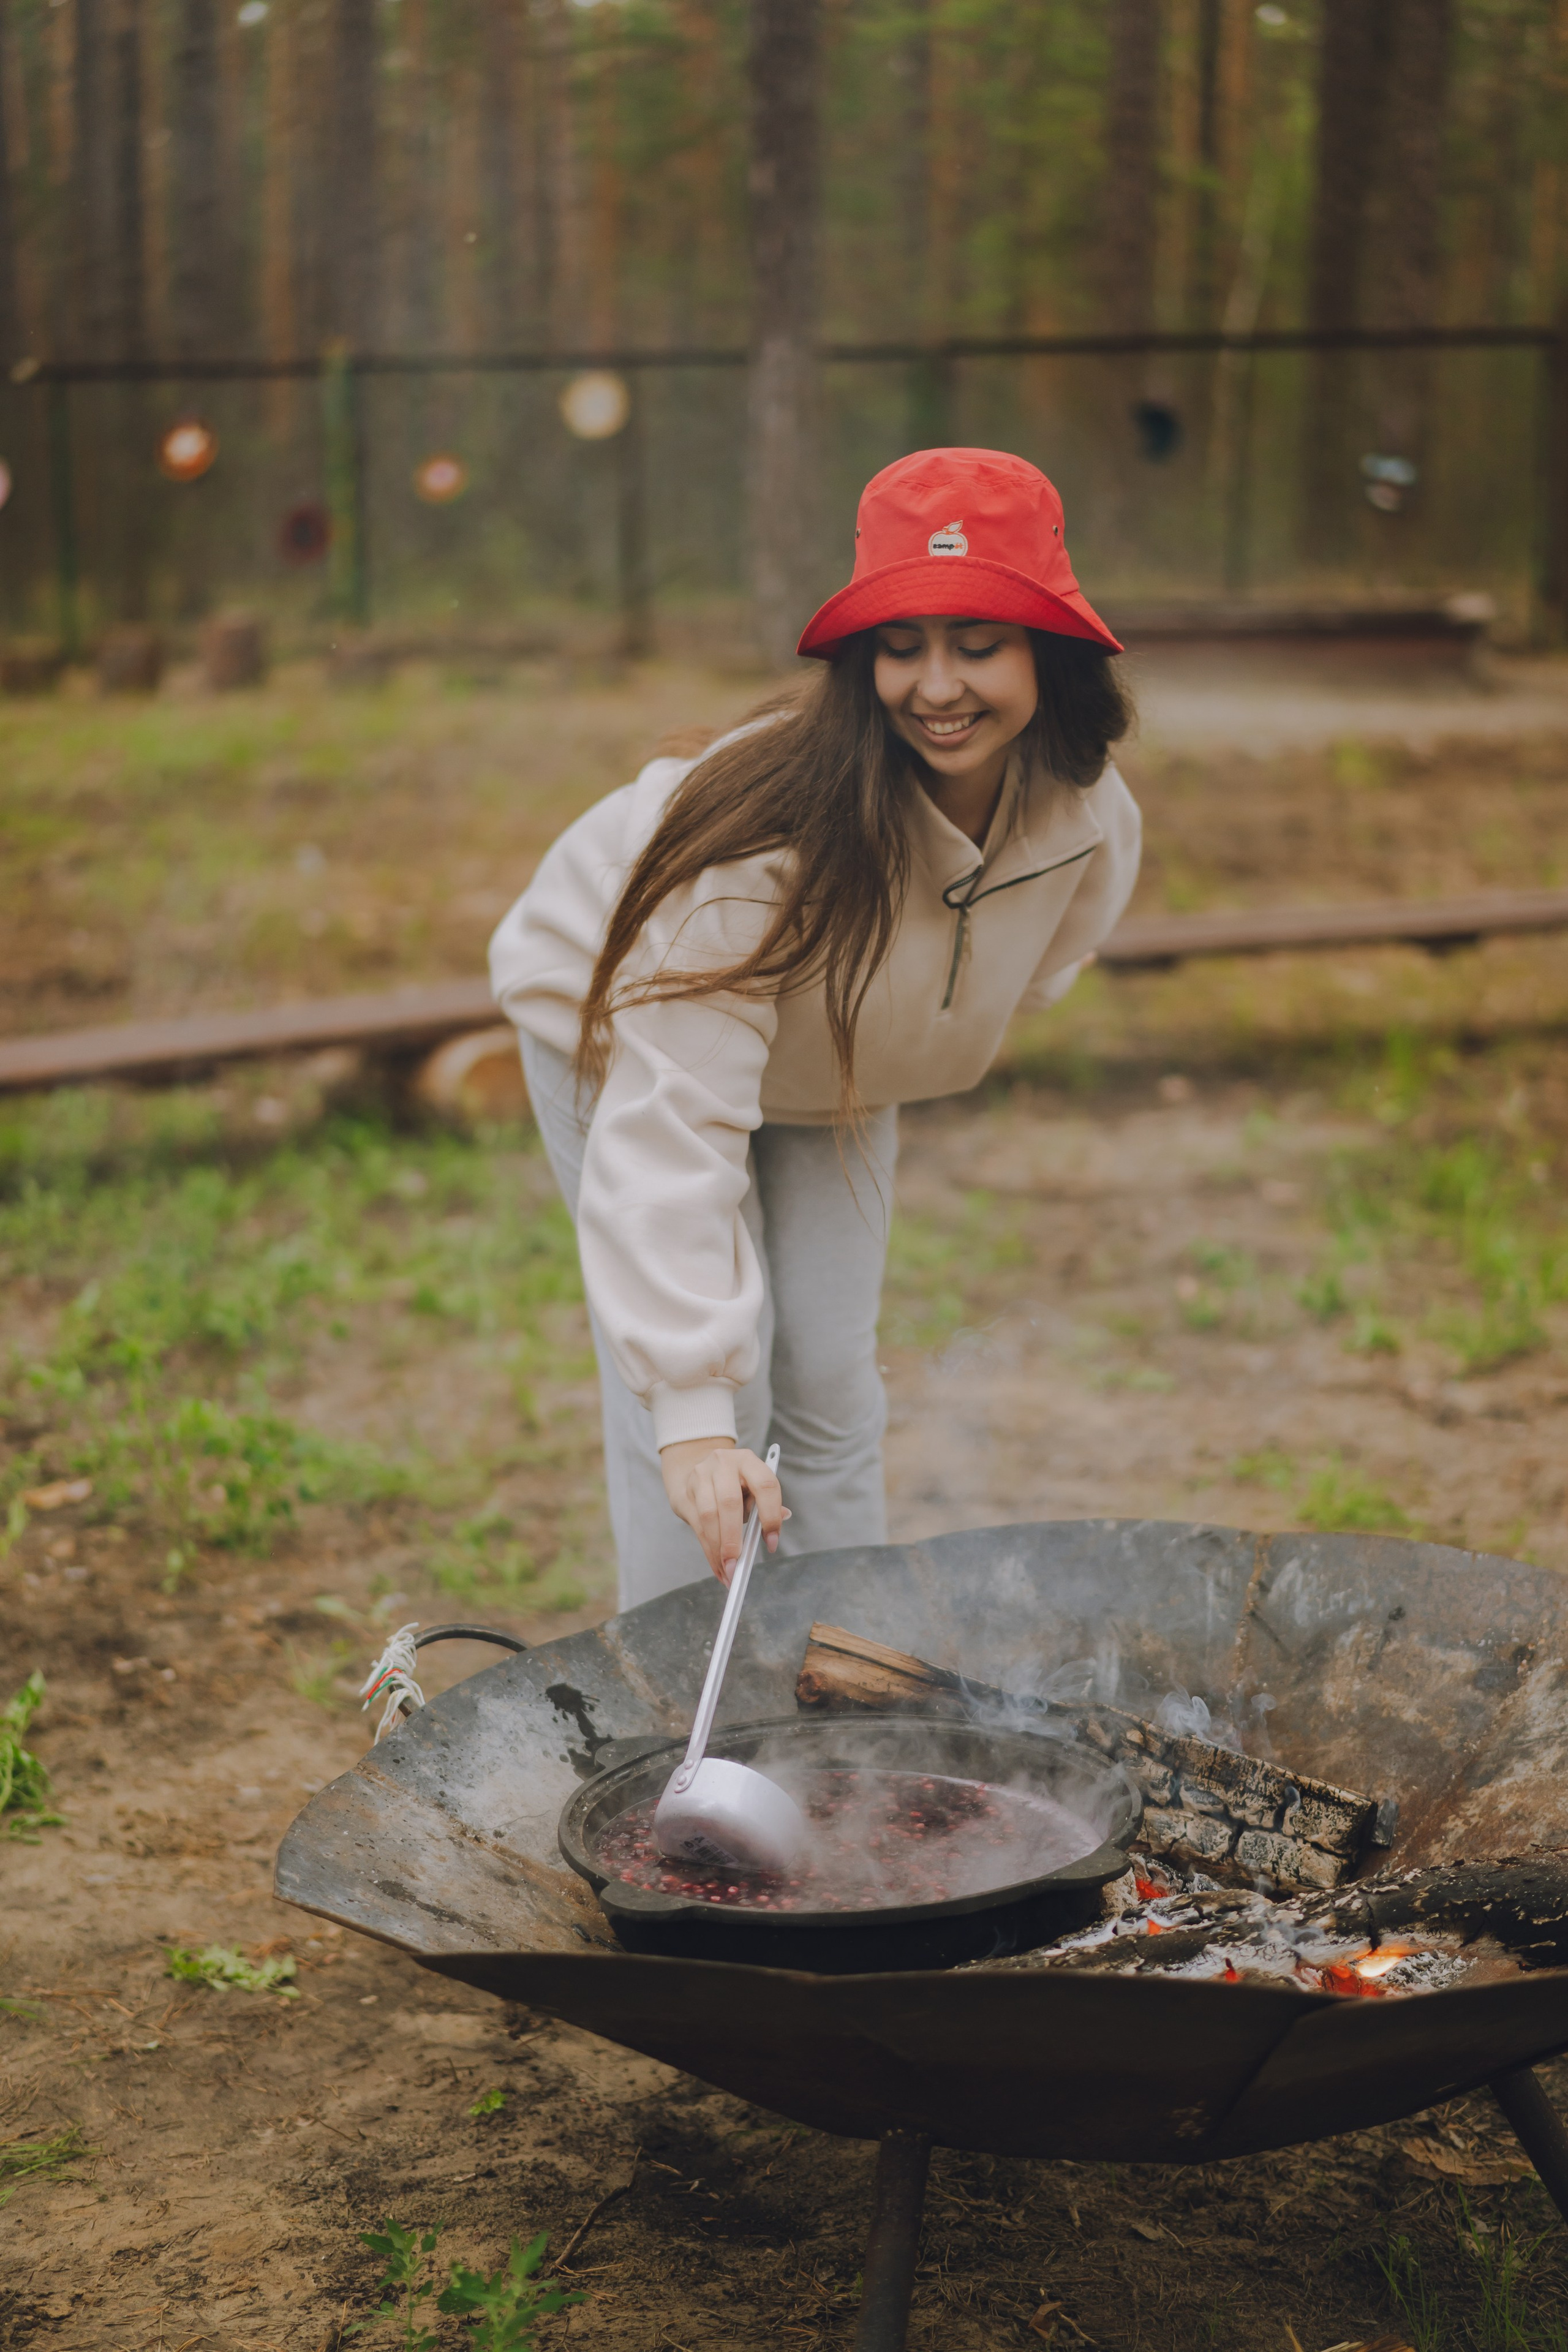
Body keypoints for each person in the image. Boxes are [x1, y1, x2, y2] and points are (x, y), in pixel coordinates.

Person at [490, 447, 1140, 1611]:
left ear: (1052, 647)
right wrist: (688, 1412)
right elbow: (675, 1126)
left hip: (833, 1060)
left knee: (832, 1382)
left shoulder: (1087, 818)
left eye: (978, 641)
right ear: (860, 662)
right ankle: (686, 1709)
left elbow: (1034, 965)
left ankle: (842, 1683)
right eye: (901, 645)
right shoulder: (762, 848)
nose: (936, 685)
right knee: (714, 1420)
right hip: (632, 1032)